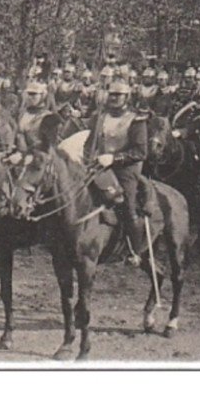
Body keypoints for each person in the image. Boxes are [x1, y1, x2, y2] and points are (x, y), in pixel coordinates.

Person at [85, 78, 148, 266]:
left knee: (126, 204)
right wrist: (89, 158)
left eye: (118, 95)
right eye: (111, 94)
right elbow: (89, 143)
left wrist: (115, 158)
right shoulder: (100, 116)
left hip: (125, 169)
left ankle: (134, 250)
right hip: (100, 165)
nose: (114, 98)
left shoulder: (136, 120)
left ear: (126, 97)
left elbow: (140, 152)